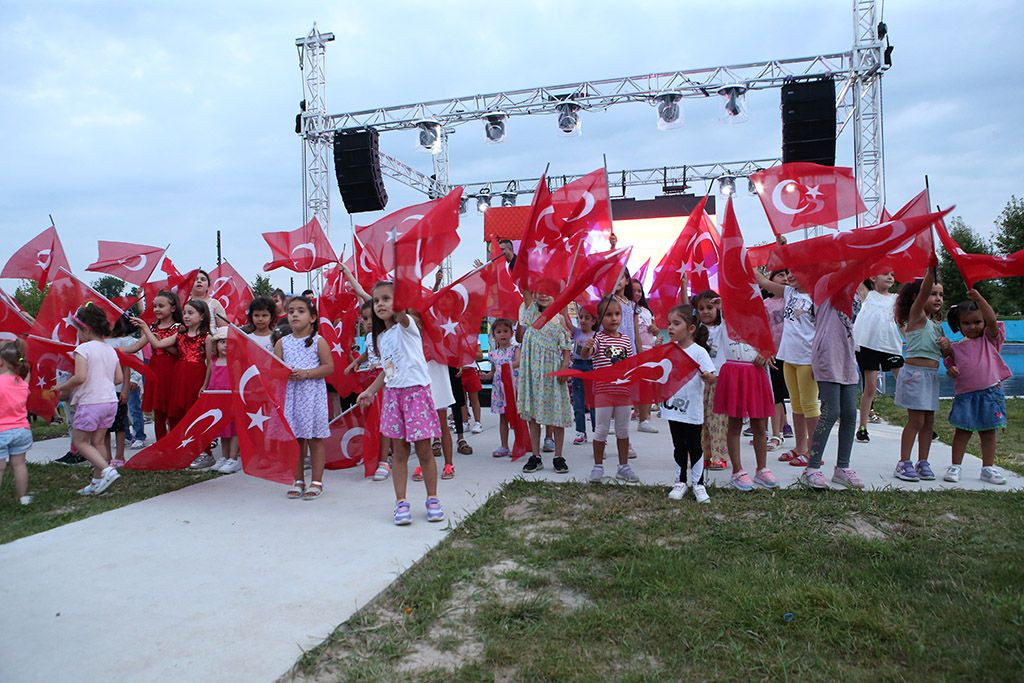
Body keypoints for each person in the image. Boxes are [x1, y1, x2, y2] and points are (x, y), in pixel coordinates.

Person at [357, 281, 445, 525]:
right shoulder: (382, 337)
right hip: (394, 397)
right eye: (376, 301)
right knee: (399, 453)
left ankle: (433, 498)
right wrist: (370, 391)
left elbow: (401, 315)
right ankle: (401, 503)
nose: (381, 304)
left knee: (425, 450)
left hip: (416, 394)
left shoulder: (408, 327)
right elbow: (388, 371)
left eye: (387, 299)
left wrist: (400, 300)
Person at [705, 295, 779, 491]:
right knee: (735, 423)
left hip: (755, 375)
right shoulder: (724, 324)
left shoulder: (757, 322)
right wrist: (723, 305)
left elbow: (768, 344)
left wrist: (765, 353)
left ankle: (762, 468)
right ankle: (737, 470)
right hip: (733, 374)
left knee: (759, 424)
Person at [942, 289, 1011, 485]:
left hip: (991, 393)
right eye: (966, 323)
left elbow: (991, 318)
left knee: (988, 432)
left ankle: (987, 468)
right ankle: (955, 466)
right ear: (959, 325)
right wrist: (951, 370)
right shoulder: (954, 348)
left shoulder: (990, 339)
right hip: (966, 396)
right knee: (962, 431)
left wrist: (979, 299)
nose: (972, 326)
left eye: (977, 322)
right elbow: (949, 366)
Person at [54, 304, 123, 496]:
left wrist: (61, 387)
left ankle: (108, 471)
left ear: (86, 329)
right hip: (110, 401)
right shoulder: (110, 350)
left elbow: (80, 377)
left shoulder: (83, 349)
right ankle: (96, 481)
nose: (77, 335)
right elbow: (118, 379)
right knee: (98, 442)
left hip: (90, 402)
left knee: (80, 441)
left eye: (77, 331)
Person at [798, 298, 865, 490]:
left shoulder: (853, 291)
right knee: (831, 411)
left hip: (847, 358)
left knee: (850, 413)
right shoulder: (825, 287)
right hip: (827, 356)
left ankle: (842, 467)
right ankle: (811, 468)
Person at [756, 266, 818, 465]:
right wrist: (742, 256)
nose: (790, 276)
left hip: (807, 360)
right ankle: (800, 447)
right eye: (788, 272)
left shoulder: (817, 297)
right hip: (788, 358)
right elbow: (764, 282)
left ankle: (814, 452)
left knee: (810, 406)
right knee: (797, 406)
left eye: (795, 272)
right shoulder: (789, 292)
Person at [893, 266, 947, 482]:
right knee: (915, 421)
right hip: (915, 375)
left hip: (931, 377)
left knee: (928, 422)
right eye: (933, 293)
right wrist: (930, 273)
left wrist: (947, 348)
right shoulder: (917, 318)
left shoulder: (936, 326)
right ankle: (903, 461)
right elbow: (923, 290)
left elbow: (943, 354)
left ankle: (923, 461)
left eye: (941, 295)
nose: (938, 298)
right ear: (918, 297)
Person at [277, 296, 333, 499]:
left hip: (312, 395)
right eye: (291, 311)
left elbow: (329, 367)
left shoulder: (319, 341)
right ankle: (298, 479)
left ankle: (316, 481)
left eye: (300, 311)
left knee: (315, 439)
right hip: (292, 396)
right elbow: (275, 368)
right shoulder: (283, 342)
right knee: (297, 440)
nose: (294, 315)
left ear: (312, 317)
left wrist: (306, 373)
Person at [581, 296, 639, 483]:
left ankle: (623, 467)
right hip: (604, 392)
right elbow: (586, 355)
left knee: (623, 431)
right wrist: (586, 348)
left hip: (623, 393)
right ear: (599, 318)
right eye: (608, 315)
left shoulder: (626, 341)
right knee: (601, 430)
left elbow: (630, 365)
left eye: (617, 314)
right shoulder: (597, 338)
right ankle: (598, 467)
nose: (613, 318)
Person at [662, 305, 716, 503]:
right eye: (669, 323)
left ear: (691, 328)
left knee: (694, 445)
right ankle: (680, 482)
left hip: (692, 409)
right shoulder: (668, 350)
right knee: (678, 445)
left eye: (676, 323)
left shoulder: (699, 352)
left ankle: (699, 484)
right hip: (672, 408)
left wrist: (709, 377)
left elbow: (712, 376)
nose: (670, 327)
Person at [517, 289, 573, 474]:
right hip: (532, 372)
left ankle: (558, 456)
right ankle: (536, 456)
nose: (544, 294)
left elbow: (566, 348)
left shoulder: (559, 319)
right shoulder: (531, 313)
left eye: (548, 291)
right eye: (539, 291)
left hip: (552, 372)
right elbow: (525, 285)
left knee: (556, 413)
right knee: (533, 414)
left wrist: (564, 368)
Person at [853, 272, 904, 442]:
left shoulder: (896, 298)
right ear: (873, 277)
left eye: (892, 274)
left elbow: (901, 322)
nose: (890, 277)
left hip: (891, 346)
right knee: (870, 387)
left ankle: (919, 423)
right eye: (885, 274)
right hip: (869, 346)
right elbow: (856, 271)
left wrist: (910, 338)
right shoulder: (867, 295)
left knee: (906, 384)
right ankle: (862, 428)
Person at [163, 299, 213, 470]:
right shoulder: (180, 335)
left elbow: (210, 362)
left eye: (191, 313)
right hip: (180, 378)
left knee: (196, 416)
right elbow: (158, 344)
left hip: (196, 378)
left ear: (202, 316)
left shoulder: (206, 337)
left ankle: (205, 453)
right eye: (184, 312)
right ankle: (181, 450)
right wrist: (146, 329)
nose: (186, 316)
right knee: (175, 414)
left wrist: (205, 384)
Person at [129, 291, 182, 441]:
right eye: (154, 306)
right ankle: (161, 446)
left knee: (173, 411)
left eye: (161, 306)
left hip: (172, 371)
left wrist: (160, 343)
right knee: (158, 411)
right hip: (156, 371)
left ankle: (175, 444)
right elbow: (136, 346)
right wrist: (112, 349)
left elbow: (179, 353)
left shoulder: (179, 327)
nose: (156, 309)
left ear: (172, 308)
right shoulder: (153, 327)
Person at [693, 290, 728, 470]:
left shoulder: (723, 328)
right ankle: (704, 455)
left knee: (718, 420)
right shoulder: (696, 331)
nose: (705, 311)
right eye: (701, 308)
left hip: (718, 379)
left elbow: (730, 318)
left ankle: (719, 455)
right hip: (700, 381)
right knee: (701, 419)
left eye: (710, 307)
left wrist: (723, 307)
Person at [105, 316, 143, 468]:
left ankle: (120, 456)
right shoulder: (100, 343)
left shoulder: (123, 342)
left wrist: (126, 388)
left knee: (121, 423)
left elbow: (127, 366)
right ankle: (106, 456)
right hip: (102, 394)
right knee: (105, 427)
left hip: (118, 391)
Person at [762, 269, 791, 451]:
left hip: (793, 354)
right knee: (775, 396)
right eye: (780, 275)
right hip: (774, 355)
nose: (785, 278)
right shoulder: (765, 304)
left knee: (797, 399)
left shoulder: (792, 298)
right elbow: (762, 330)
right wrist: (766, 351)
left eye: (787, 275)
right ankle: (775, 434)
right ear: (770, 282)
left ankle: (787, 430)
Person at [204, 329, 241, 473]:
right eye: (222, 342)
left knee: (234, 430)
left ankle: (233, 458)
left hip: (232, 401)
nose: (226, 345)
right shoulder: (213, 361)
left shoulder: (235, 362)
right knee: (223, 430)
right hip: (218, 403)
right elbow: (210, 379)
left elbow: (238, 383)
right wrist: (205, 387)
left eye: (230, 343)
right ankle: (224, 457)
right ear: (216, 345)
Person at [0, 340, 33, 505]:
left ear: (1, 361)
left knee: (0, 467)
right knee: (19, 465)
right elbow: (27, 377)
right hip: (22, 430)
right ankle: (23, 497)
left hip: (2, 431)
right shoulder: (22, 384)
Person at [482, 318, 520, 457]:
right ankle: (504, 445)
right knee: (503, 417)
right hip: (499, 389)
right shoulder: (493, 354)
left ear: (511, 333)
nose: (502, 334)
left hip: (512, 387)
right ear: (494, 335)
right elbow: (493, 371)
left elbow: (518, 362)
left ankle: (519, 443)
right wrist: (486, 376)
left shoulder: (515, 349)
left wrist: (507, 367)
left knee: (516, 416)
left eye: (505, 331)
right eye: (499, 332)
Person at [631, 277, 661, 431]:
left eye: (639, 290)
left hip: (649, 350)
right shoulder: (627, 308)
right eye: (634, 290)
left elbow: (654, 328)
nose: (637, 293)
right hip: (635, 350)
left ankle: (645, 418)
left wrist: (655, 330)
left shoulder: (646, 311)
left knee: (647, 384)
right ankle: (637, 412)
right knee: (634, 385)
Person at [569, 307, 596, 445]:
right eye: (581, 317)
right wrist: (563, 308)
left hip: (592, 367)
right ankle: (580, 431)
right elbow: (566, 322)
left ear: (594, 321)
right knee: (578, 402)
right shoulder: (576, 332)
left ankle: (597, 432)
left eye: (587, 318)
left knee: (593, 402)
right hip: (577, 366)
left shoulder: (596, 335)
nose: (583, 320)